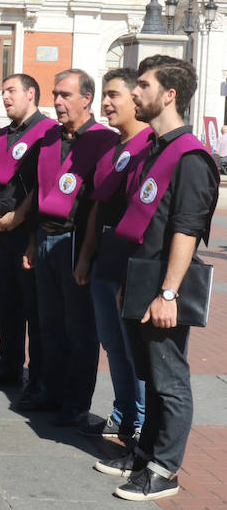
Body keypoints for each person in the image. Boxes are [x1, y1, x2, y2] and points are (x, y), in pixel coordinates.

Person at [94, 55, 218, 501]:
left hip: (164, 285)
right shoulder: (155, 149)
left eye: (142, 85)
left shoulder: (191, 157)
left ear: (168, 94)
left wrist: (167, 293)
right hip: (138, 275)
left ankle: (166, 469)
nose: (135, 93)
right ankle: (145, 453)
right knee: (149, 373)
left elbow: (186, 229)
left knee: (169, 379)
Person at [23, 69, 118, 424]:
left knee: (79, 328)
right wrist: (33, 241)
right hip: (46, 238)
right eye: (55, 94)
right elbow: (39, 195)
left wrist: (87, 255)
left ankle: (75, 404)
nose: (57, 102)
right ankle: (49, 390)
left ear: (86, 99)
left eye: (65, 95)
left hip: (75, 242)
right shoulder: (50, 140)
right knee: (49, 324)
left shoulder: (103, 141)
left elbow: (98, 204)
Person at [74, 69, 150, 441]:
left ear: (137, 98)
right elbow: (96, 208)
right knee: (113, 346)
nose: (106, 103)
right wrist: (86, 256)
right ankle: (123, 416)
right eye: (104, 95)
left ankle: (141, 423)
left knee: (135, 351)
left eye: (113, 95)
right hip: (104, 259)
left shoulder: (151, 146)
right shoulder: (112, 148)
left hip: (131, 263)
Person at [0, 74, 55, 400]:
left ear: (31, 93)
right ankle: (8, 365)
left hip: (29, 233)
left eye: (11, 91)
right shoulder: (0, 136)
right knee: (4, 303)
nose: (5, 97)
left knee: (33, 308)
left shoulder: (46, 134)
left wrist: (17, 217)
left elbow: (42, 183)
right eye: (2, 92)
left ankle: (39, 379)